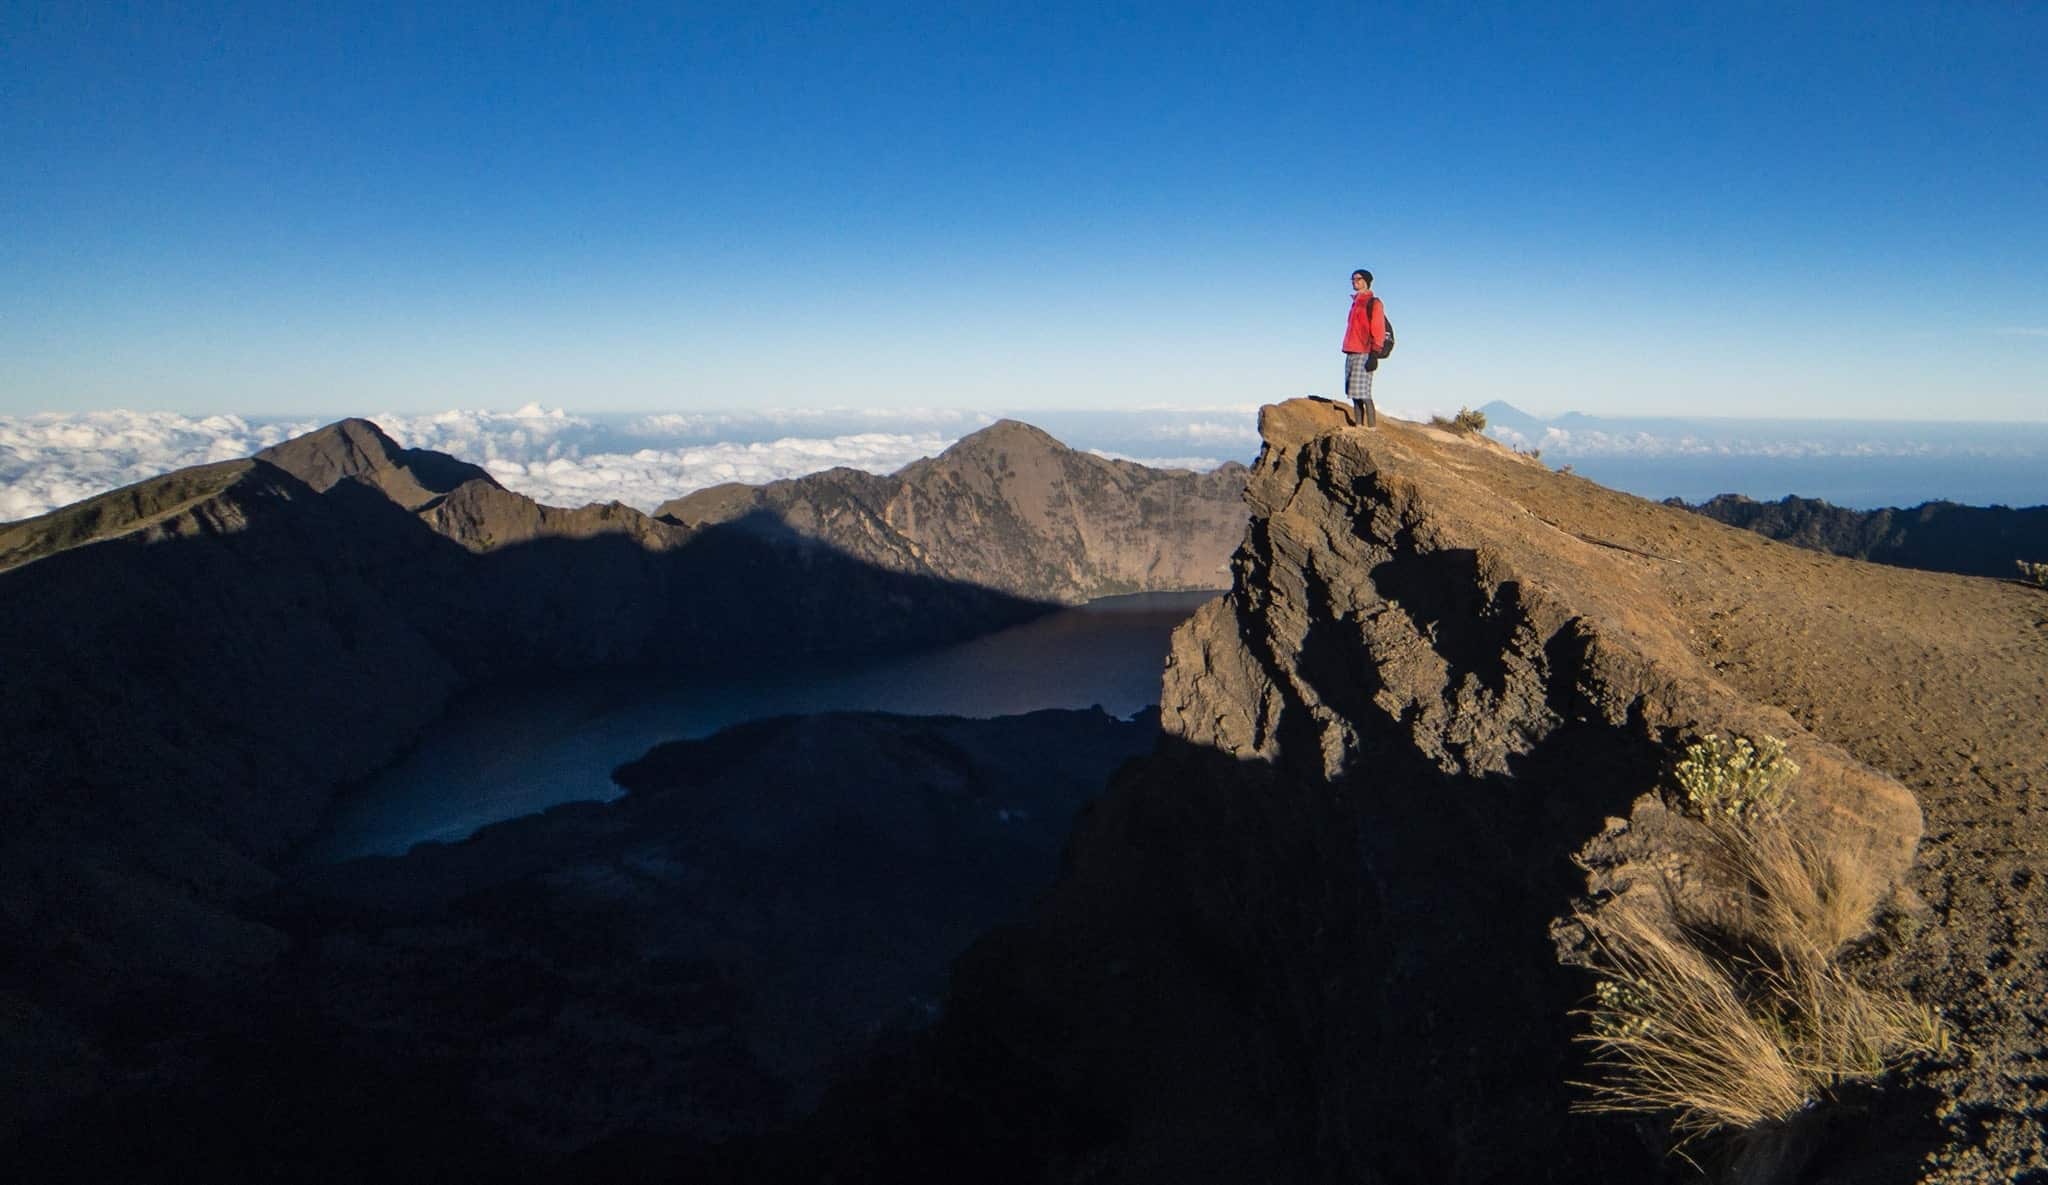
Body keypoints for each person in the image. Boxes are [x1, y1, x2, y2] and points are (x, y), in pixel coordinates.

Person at [1342, 269, 1387, 427]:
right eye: (1353, 278)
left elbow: (1378, 328)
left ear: (1366, 281)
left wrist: (1374, 353)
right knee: (1354, 392)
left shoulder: (1373, 302)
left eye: (1358, 278)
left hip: (1365, 351)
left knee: (1364, 393)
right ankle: (1359, 426)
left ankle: (1372, 428)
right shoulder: (1355, 302)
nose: (1355, 281)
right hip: (1351, 350)